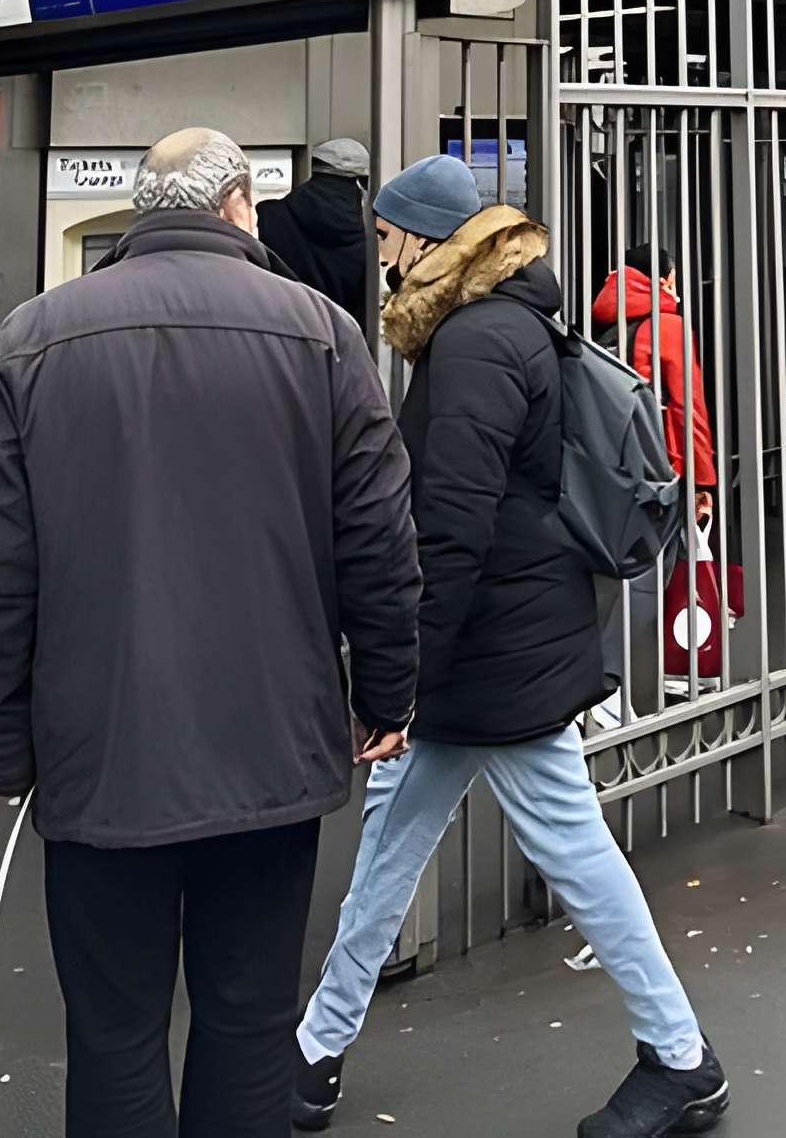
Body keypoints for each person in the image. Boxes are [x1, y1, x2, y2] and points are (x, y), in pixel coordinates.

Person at [0, 127, 420, 1138]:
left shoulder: (31, 338)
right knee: (248, 1026)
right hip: (271, 749)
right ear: (241, 206)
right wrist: (386, 693)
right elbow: (379, 540)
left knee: (113, 1036)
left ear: (141, 210)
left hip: (97, 754)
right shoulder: (323, 334)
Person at [293, 157, 727, 1138]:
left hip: (494, 655)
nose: (382, 252)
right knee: (392, 845)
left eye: (391, 235)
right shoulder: (501, 325)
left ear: (427, 243)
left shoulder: (480, 341)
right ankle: (315, 1052)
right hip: (499, 644)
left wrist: (400, 682)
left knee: (571, 853)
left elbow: (452, 525)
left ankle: (681, 1056)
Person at [588, 245, 717, 723]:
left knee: (619, 578)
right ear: (663, 278)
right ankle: (605, 687)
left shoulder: (604, 324)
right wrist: (701, 480)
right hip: (662, 472)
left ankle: (612, 684)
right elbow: (688, 410)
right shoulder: (666, 326)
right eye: (674, 276)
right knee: (649, 581)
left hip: (614, 469)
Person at [258, 137, 373, 321]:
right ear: (360, 180)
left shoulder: (271, 216)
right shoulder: (373, 230)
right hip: (351, 336)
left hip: (290, 330)